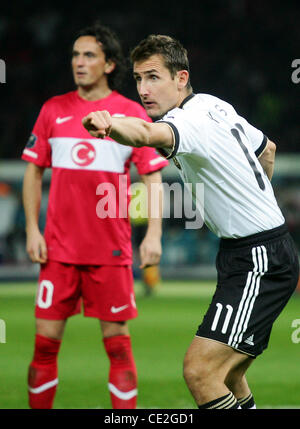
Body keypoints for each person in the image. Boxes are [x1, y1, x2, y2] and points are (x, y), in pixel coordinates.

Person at [82, 34, 299, 410]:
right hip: (249, 252)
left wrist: (111, 124)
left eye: (153, 77)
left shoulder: (188, 121)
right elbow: (268, 149)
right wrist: (255, 199)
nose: (144, 89)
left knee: (200, 371)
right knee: (228, 375)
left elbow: (148, 134)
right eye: (137, 79)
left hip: (257, 258)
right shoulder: (214, 104)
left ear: (181, 78)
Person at [22, 25, 168, 409]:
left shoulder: (131, 113)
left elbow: (152, 177)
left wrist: (154, 235)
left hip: (111, 251)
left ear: (109, 64)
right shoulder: (53, 110)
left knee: (119, 349)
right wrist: (32, 230)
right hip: (58, 251)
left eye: (88, 55)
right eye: (74, 55)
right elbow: (34, 172)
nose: (79, 62)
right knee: (43, 348)